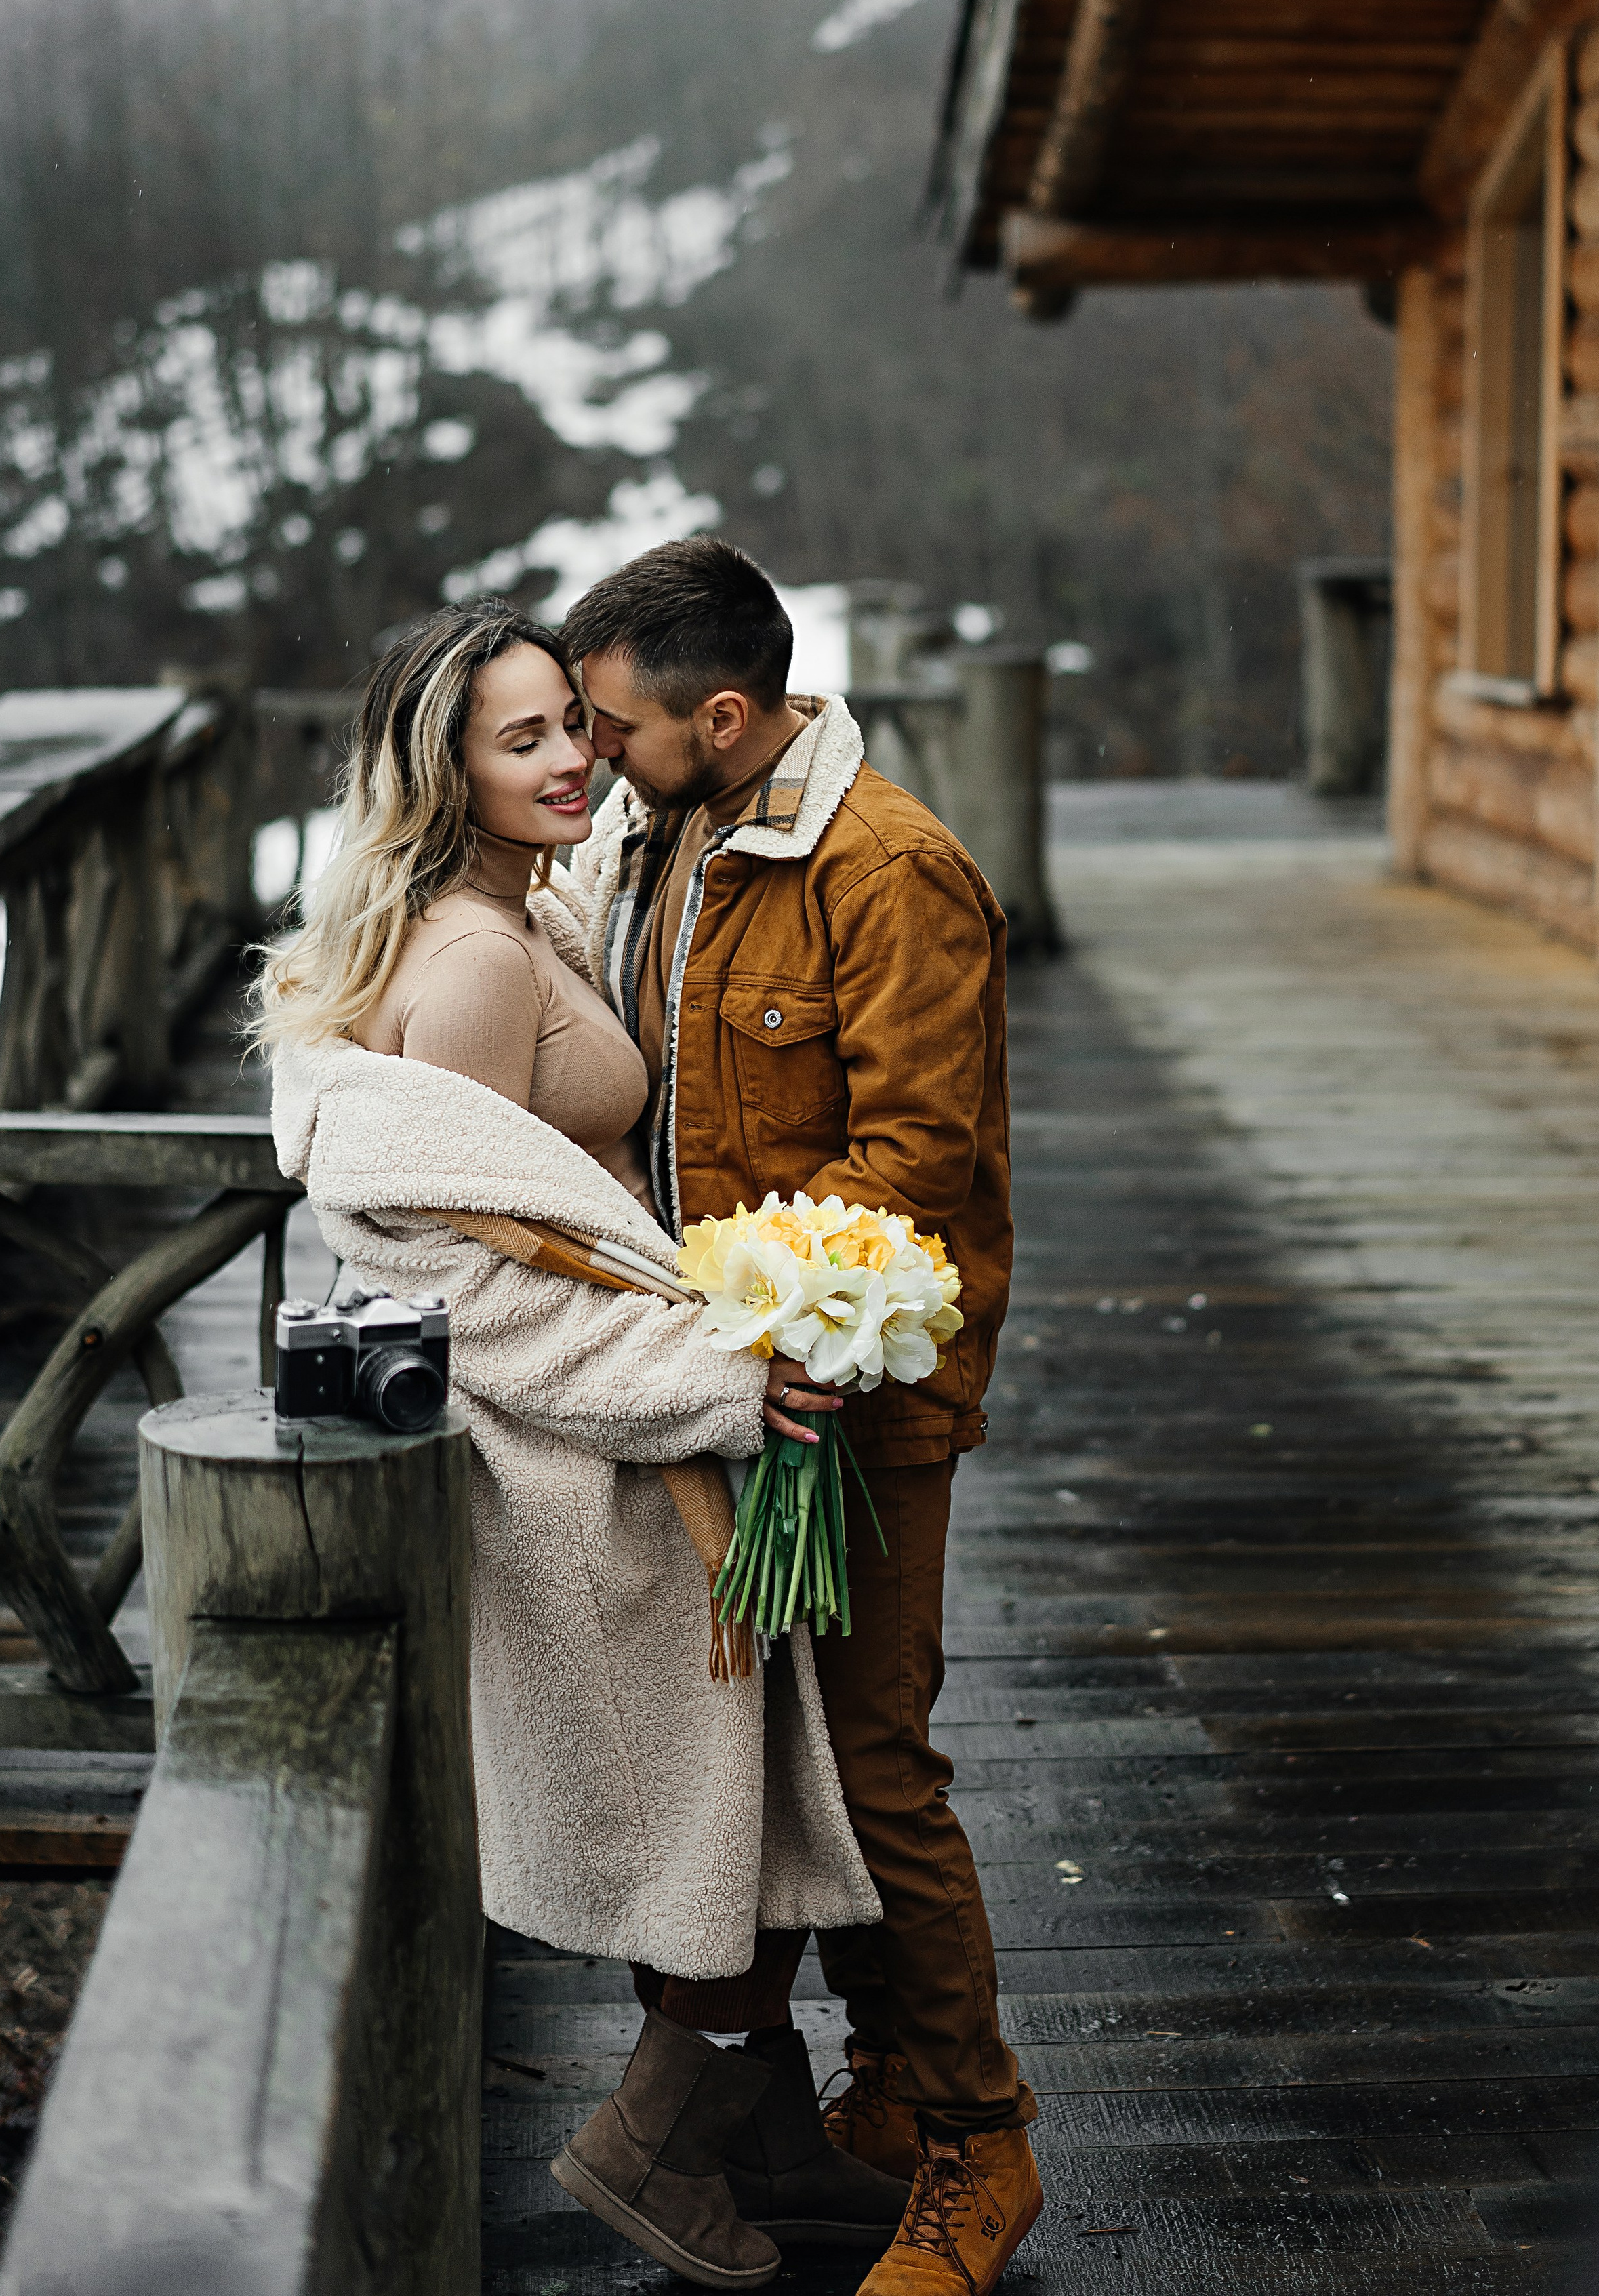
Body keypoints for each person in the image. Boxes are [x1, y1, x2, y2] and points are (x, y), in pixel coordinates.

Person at [251, 598, 906, 2292]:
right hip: (584, 1457)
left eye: (576, 726)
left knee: (736, 1803)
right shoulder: (470, 963)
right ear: (442, 772)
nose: (572, 762)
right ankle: (647, 2143)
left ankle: (757, 2140)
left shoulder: (514, 909)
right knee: (707, 1811)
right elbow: (457, 1273)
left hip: (629, 1429)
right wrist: (711, 1374)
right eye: (522, 739)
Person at [562, 539, 1043, 2296]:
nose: (595, 753)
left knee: (875, 1767)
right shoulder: (675, 833)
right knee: (777, 1776)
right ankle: (885, 2091)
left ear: (728, 711)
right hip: (728, 1391)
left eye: (615, 723)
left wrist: (747, 1319)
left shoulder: (890, 870)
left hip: (863, 1395)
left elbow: (914, 1161)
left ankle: (982, 2146)